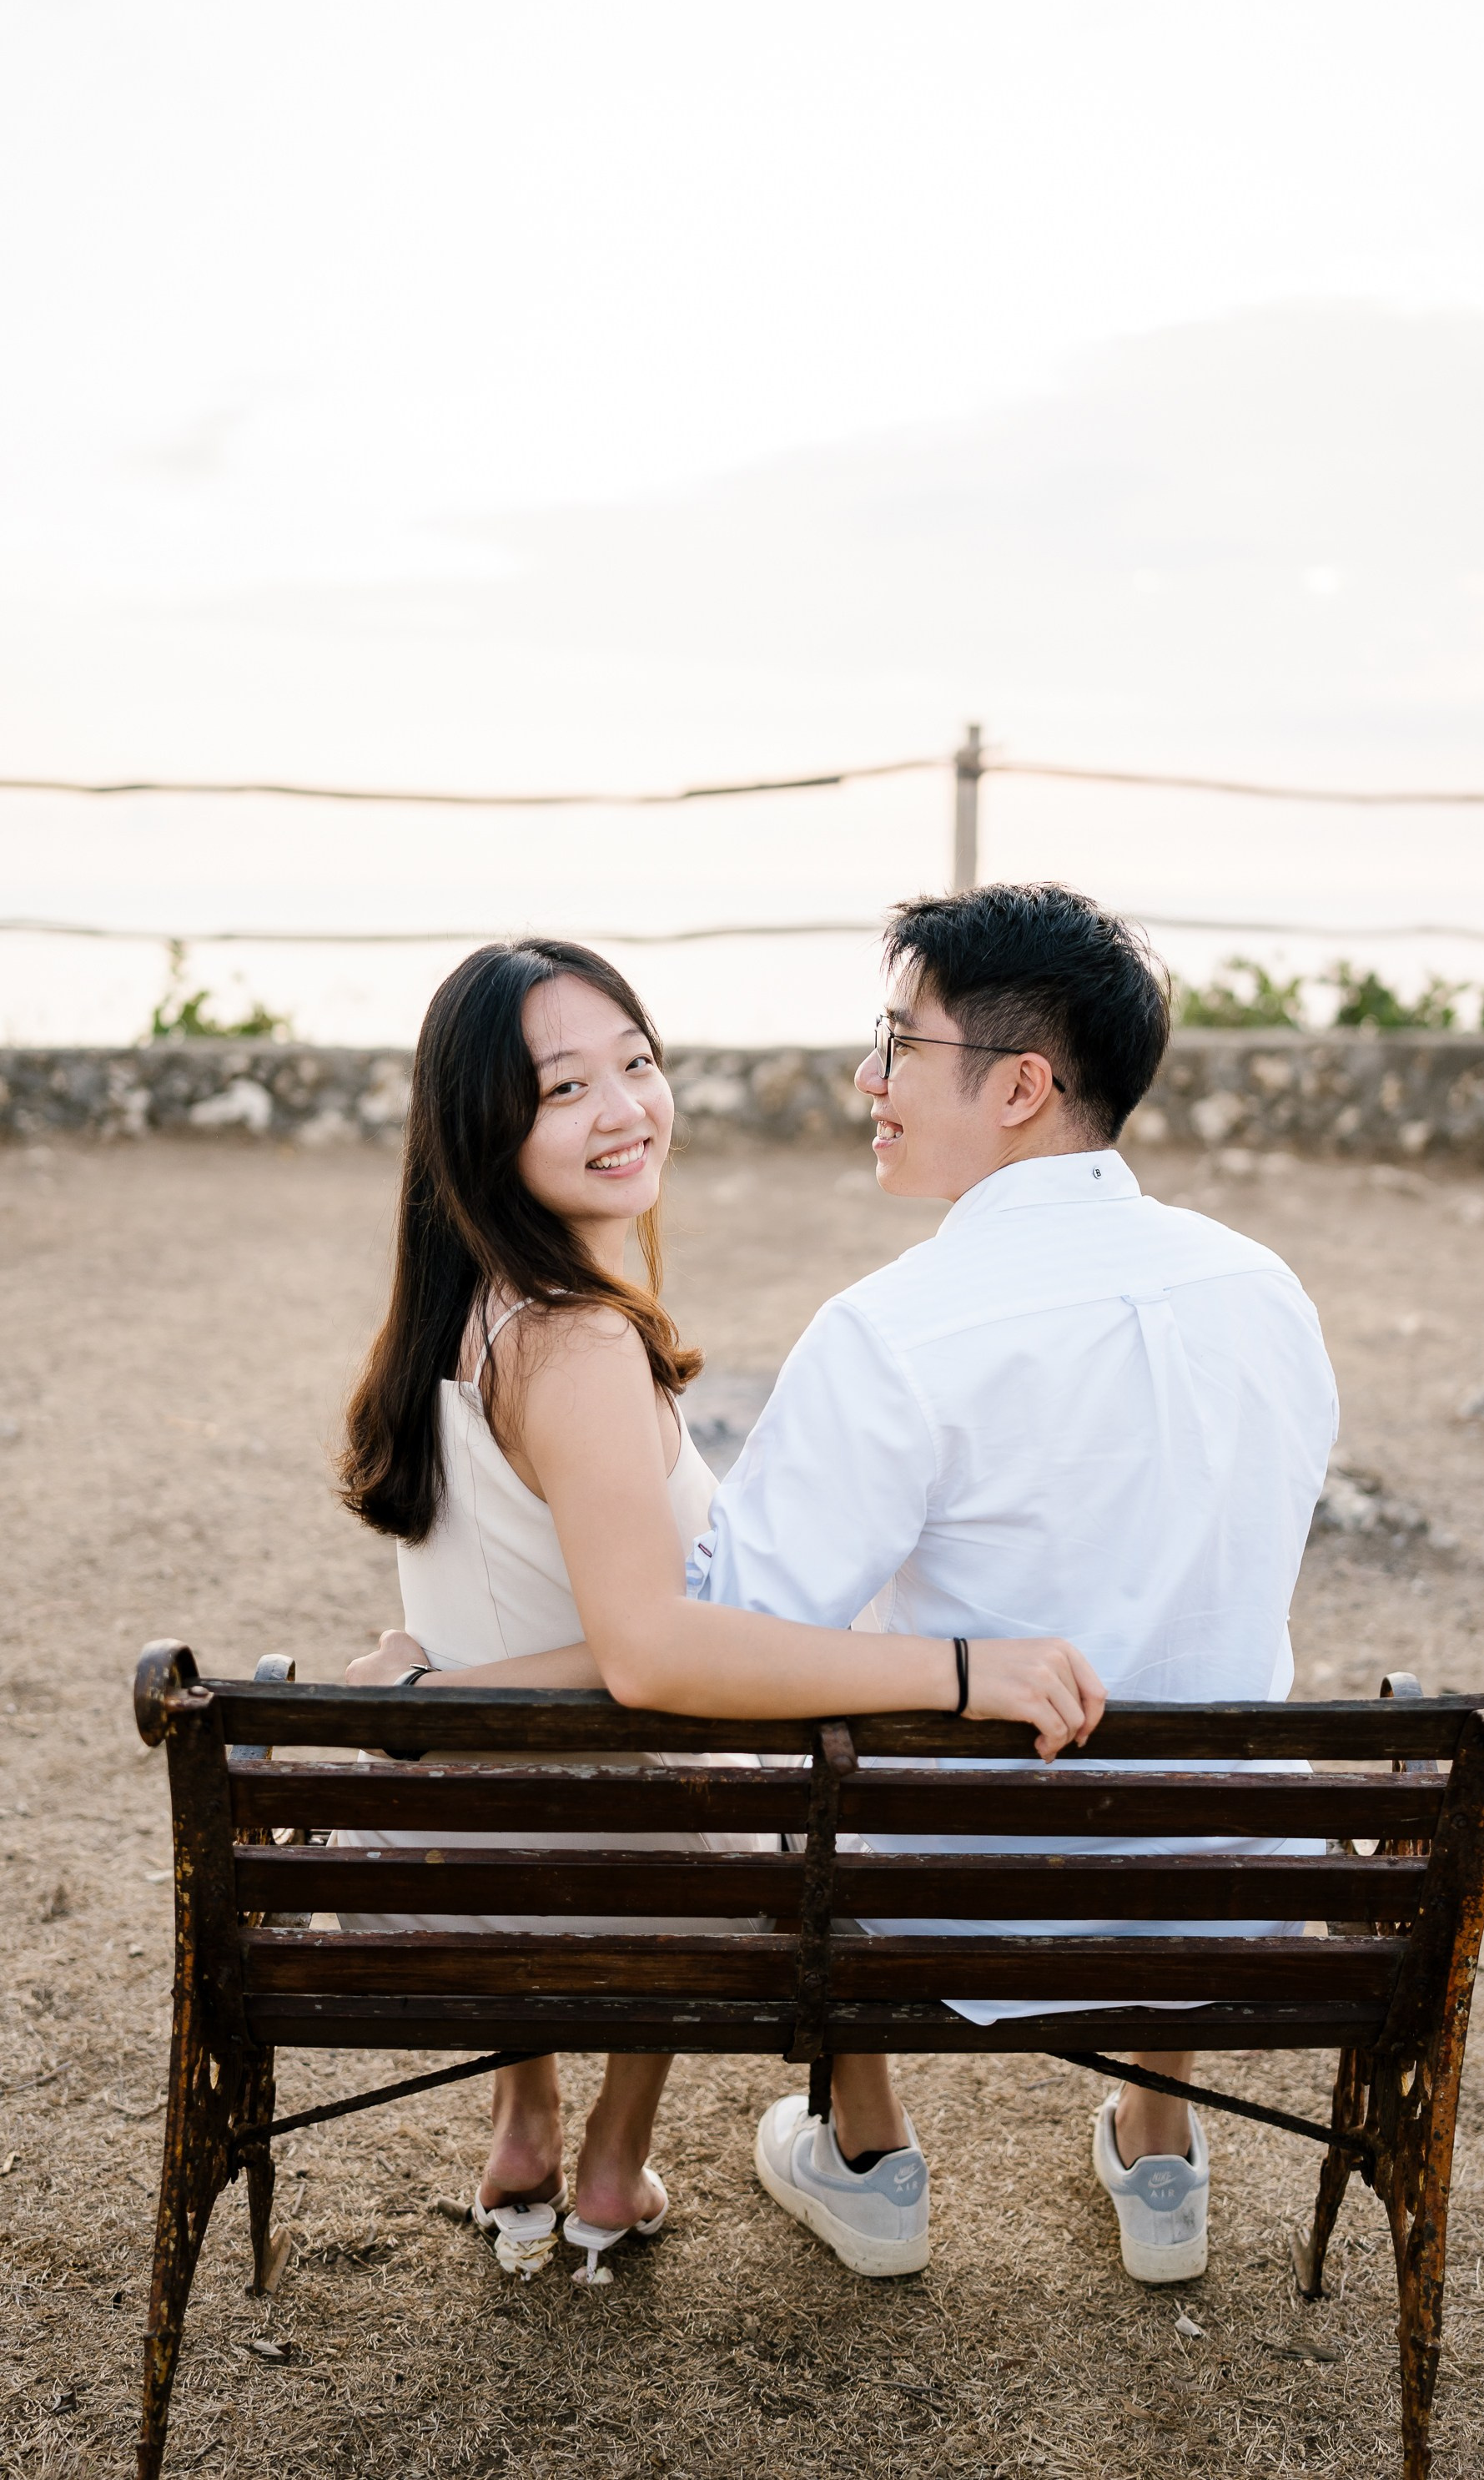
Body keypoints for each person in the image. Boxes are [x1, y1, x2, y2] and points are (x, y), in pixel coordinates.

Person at [335, 937, 1104, 2284]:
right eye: (565, 1087)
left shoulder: (461, 1312)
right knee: (727, 1747)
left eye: (637, 1065)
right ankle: (613, 2165)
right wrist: (959, 1669)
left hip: (467, 1847)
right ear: (483, 1121)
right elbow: (651, 1656)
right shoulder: (576, 1342)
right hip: (603, 1872)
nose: (625, 1109)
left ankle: (525, 2129)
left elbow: (521, 1622)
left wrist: (430, 1698)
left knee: (665, 1733)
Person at [692, 881, 1338, 2285]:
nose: (868, 1078)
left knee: (831, 1680)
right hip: (1219, 1884)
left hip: (963, 1885)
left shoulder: (894, 1329)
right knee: (1184, 1627)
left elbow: (733, 1626)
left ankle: (869, 2159)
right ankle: (1157, 2138)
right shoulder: (1266, 1291)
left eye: (898, 1043)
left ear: (1022, 1086)